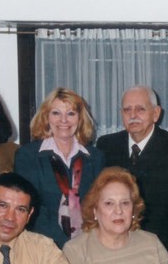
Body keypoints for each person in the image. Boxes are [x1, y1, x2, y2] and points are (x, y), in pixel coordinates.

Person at [96, 85, 168, 259]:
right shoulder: (106, 146)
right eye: (127, 110)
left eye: (140, 109)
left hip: (161, 251)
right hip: (113, 248)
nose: (132, 115)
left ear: (156, 113)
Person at [62, 167, 168, 264]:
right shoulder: (76, 250)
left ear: (134, 210)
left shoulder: (152, 243)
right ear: (95, 211)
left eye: (125, 203)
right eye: (109, 203)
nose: (118, 211)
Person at [14, 87, 105, 248]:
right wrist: (63, 244)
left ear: (80, 118)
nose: (64, 120)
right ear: (46, 117)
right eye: (56, 113)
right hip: (43, 245)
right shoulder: (28, 156)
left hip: (88, 244)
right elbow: (29, 206)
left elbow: (99, 204)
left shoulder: (96, 157)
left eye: (71, 113)